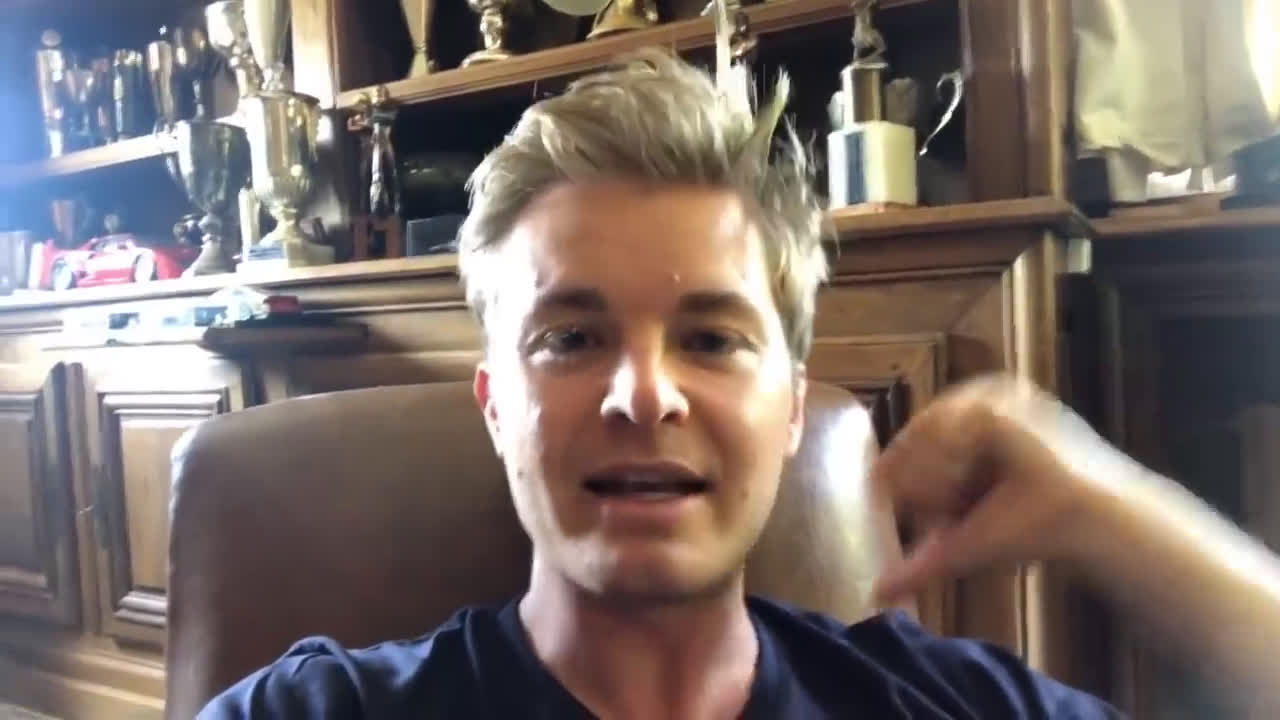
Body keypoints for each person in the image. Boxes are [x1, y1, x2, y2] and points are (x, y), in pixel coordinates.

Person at [197, 43, 1280, 720]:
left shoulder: (936, 704)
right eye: (570, 338)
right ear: (496, 407)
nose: (644, 395)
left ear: (790, 408)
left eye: (711, 340)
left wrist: (1108, 506)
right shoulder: (317, 711)